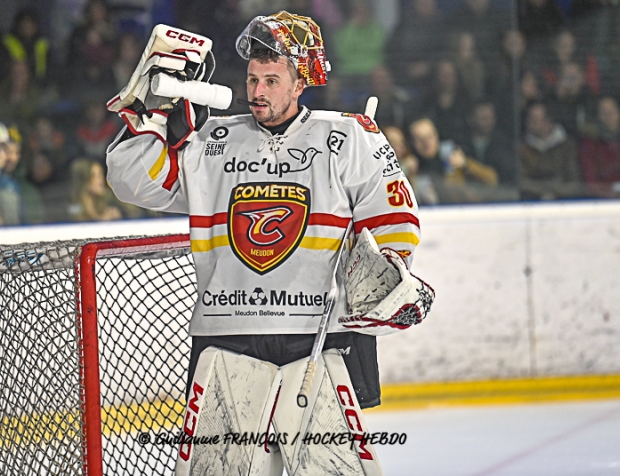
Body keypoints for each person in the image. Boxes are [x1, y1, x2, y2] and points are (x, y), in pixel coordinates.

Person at [106, 14, 433, 475]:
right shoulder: (212, 142)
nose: (257, 92)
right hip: (228, 334)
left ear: (301, 82)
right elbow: (135, 183)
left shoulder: (349, 136)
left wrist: (388, 270)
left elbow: (395, 213)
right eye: (252, 79)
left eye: (272, 80)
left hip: (321, 338)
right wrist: (150, 110)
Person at [578, 96, 620, 197]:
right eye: (603, 111)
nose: (608, 115)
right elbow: (589, 172)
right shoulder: (590, 141)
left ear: (619, 112)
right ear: (598, 115)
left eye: (611, 110)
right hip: (602, 198)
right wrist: (604, 193)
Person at [519, 102, 583, 200]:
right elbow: (521, 181)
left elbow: (573, 181)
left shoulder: (567, 146)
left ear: (547, 122)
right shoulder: (523, 147)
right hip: (532, 201)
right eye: (529, 119)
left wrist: (555, 192)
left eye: (534, 119)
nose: (529, 122)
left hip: (564, 203)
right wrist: (544, 191)